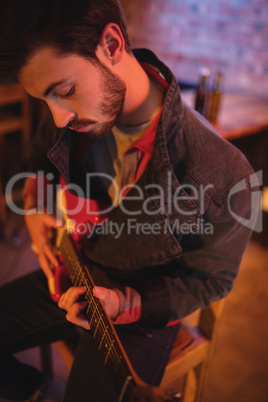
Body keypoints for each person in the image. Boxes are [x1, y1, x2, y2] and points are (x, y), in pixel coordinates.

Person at [0, 0, 258, 401]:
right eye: (44, 100)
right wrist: (35, 207)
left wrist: (126, 302)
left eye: (65, 91)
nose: (58, 119)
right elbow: (40, 162)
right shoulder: (78, 114)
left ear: (111, 44)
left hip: (138, 309)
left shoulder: (223, 174)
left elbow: (212, 280)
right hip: (75, 273)